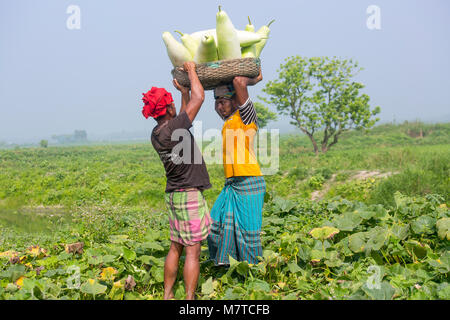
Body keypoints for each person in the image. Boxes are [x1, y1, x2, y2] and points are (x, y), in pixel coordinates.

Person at [142, 61, 211, 300]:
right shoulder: (175, 127)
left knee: (175, 246)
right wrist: (192, 70)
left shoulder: (158, 133)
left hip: (173, 194)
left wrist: (183, 93)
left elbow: (183, 117)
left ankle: (168, 295)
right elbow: (199, 97)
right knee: (193, 251)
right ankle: (189, 300)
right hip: (189, 193)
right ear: (169, 109)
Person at [207, 71, 266, 266]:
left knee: (249, 233)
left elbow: (239, 81)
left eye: (223, 101)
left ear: (235, 100)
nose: (218, 106)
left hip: (249, 181)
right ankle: (227, 263)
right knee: (214, 225)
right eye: (216, 102)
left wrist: (254, 80)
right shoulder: (228, 122)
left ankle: (252, 273)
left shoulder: (247, 118)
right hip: (232, 185)